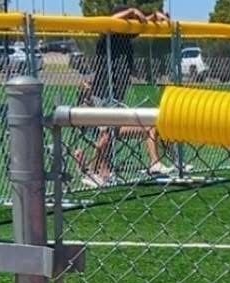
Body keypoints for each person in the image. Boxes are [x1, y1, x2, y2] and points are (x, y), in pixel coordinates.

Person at [72, 6, 169, 186]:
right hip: (102, 94)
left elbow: (143, 24)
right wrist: (132, 11)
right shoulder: (107, 37)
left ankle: (152, 165)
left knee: (139, 128)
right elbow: (111, 21)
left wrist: (155, 16)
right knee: (106, 135)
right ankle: (96, 172)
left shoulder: (126, 38)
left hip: (117, 95)